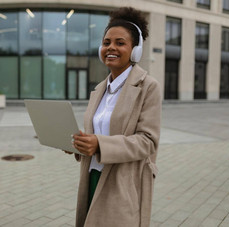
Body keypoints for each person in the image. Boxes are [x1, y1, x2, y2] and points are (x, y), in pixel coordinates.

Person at [65, 7, 161, 227]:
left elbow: (148, 141)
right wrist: (79, 144)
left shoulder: (148, 87)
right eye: (107, 42)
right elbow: (96, 134)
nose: (111, 48)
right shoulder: (99, 89)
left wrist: (99, 144)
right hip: (92, 177)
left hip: (122, 182)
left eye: (120, 43)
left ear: (135, 50)